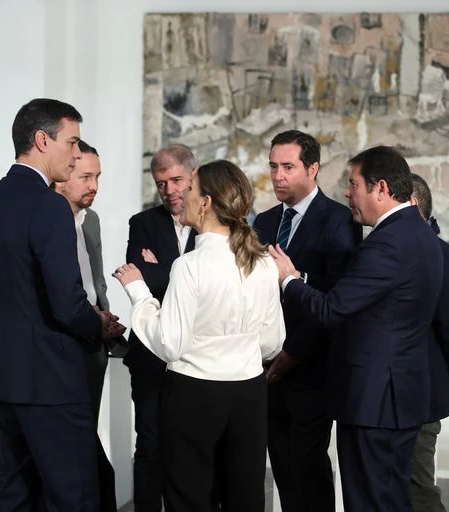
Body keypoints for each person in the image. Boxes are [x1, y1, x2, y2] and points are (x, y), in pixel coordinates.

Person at [269, 145, 444, 512]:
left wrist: (290, 280)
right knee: (390, 499)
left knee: (369, 501)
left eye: (354, 184)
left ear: (380, 188)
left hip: (374, 403)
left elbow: (332, 309)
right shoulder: (420, 233)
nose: (348, 193)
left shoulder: (385, 244)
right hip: (398, 399)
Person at [0, 98, 122, 511]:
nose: (76, 155)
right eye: (71, 143)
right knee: (72, 495)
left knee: (17, 489)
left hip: (3, 375)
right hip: (51, 379)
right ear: (41, 140)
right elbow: (68, 305)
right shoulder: (48, 205)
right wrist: (100, 326)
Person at [114, 159, 285, 511]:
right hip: (249, 394)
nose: (181, 195)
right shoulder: (264, 262)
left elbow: (170, 344)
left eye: (189, 188)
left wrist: (140, 294)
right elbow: (272, 342)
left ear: (205, 203)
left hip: (194, 396)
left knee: (189, 499)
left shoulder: (190, 265)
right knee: (246, 498)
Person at [253, 130, 361, 512]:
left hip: (312, 369)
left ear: (312, 168)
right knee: (281, 465)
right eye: (273, 167)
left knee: (309, 468)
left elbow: (335, 301)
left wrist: (292, 354)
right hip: (265, 369)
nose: (278, 176)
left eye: (287, 167)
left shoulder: (339, 221)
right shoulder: (262, 223)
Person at [123, 144, 197, 512]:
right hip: (150, 357)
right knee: (149, 445)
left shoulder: (218, 223)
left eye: (177, 180)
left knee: (194, 448)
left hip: (198, 359)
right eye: (161, 182)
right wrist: (161, 277)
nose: (169, 190)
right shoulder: (142, 224)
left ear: (193, 176)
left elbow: (210, 291)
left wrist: (157, 270)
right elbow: (139, 285)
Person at [54, 139, 127, 512]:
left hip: (94, 344)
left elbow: (93, 279)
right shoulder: (46, 219)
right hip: (62, 345)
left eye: (97, 177)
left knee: (85, 433)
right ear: (64, 175)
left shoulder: (92, 219)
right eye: (85, 176)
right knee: (74, 441)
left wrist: (104, 315)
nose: (94, 185)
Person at [408, 173, 449, 512]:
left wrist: (443, 378)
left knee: (417, 490)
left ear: (412, 204)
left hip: (418, 396)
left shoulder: (438, 256)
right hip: (403, 394)